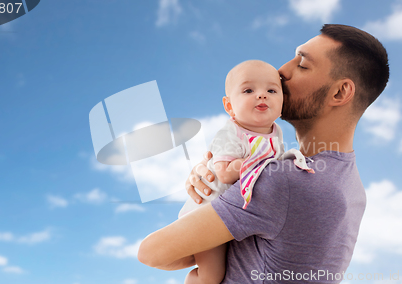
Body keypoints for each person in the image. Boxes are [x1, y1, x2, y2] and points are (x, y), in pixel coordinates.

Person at [138, 24, 389, 283]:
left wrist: (207, 208)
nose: (282, 70)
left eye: (302, 64)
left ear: (339, 92)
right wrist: (218, 182)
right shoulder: (351, 186)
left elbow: (151, 253)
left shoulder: (282, 181)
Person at [178, 59, 313, 284]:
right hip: (206, 213)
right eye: (248, 90)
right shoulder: (230, 133)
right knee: (211, 276)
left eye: (271, 90)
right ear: (229, 106)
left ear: (282, 102)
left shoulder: (275, 132)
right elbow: (223, 173)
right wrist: (251, 164)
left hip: (235, 215)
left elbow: (275, 162)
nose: (261, 95)